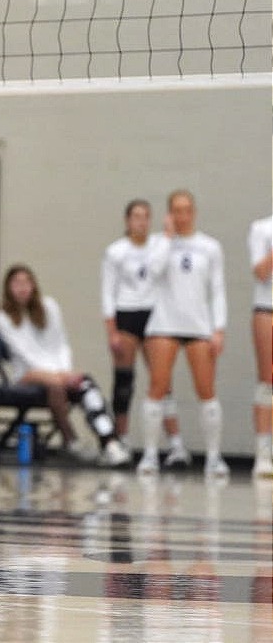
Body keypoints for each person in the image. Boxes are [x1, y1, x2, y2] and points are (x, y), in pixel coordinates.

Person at [0, 265, 132, 466]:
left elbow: (61, 344)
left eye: (26, 283)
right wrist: (59, 376)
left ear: (33, 285)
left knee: (85, 384)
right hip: (26, 374)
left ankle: (109, 442)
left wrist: (65, 372)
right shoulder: (3, 318)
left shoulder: (49, 307)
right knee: (56, 384)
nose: (22, 288)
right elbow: (24, 353)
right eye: (16, 284)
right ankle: (71, 441)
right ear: (8, 288)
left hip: (57, 372)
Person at [137, 190, 228, 478]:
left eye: (187, 209)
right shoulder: (158, 244)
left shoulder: (210, 247)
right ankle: (150, 455)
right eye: (176, 210)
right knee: (157, 387)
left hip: (198, 327)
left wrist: (218, 328)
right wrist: (166, 238)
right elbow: (152, 272)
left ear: (194, 211)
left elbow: (218, 290)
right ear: (169, 213)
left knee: (206, 389)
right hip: (164, 324)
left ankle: (214, 458)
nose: (182, 215)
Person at [101, 200, 185, 456]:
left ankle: (175, 444)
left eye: (146, 216)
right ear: (127, 220)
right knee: (124, 381)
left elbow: (166, 264)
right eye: (137, 216)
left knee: (162, 380)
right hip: (126, 313)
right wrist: (112, 330)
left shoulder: (159, 244)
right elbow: (108, 292)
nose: (142, 222)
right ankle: (121, 440)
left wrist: (170, 232)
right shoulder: (116, 251)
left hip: (153, 314)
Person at [248, 214, 273, 477]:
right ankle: (264, 454)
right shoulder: (262, 227)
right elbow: (260, 271)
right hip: (268, 309)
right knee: (268, 381)